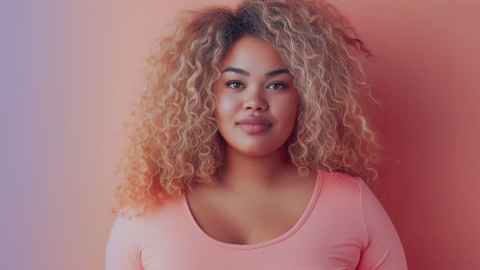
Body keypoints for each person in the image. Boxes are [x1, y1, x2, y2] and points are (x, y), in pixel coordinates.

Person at [105, 0, 408, 269]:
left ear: (306, 96)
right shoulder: (147, 210)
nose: (255, 102)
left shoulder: (351, 203)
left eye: (277, 85)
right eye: (235, 84)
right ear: (204, 94)